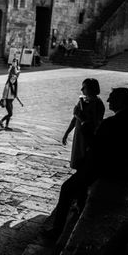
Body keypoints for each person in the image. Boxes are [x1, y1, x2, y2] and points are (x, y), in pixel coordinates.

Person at [41, 79, 106, 240]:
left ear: (90, 89)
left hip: (87, 139)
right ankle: (80, 199)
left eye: (83, 87)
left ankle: (80, 201)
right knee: (78, 165)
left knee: (81, 166)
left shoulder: (98, 104)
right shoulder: (82, 102)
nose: (81, 89)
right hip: (79, 137)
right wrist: (67, 133)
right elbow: (74, 118)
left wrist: (82, 117)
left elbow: (95, 123)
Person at [0, 58, 20, 130]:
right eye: (12, 78)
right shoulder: (8, 85)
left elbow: (16, 75)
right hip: (7, 99)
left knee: (10, 113)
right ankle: (1, 121)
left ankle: (7, 125)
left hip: (11, 99)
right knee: (10, 113)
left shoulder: (14, 85)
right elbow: (4, 93)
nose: (13, 79)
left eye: (14, 79)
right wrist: (3, 99)